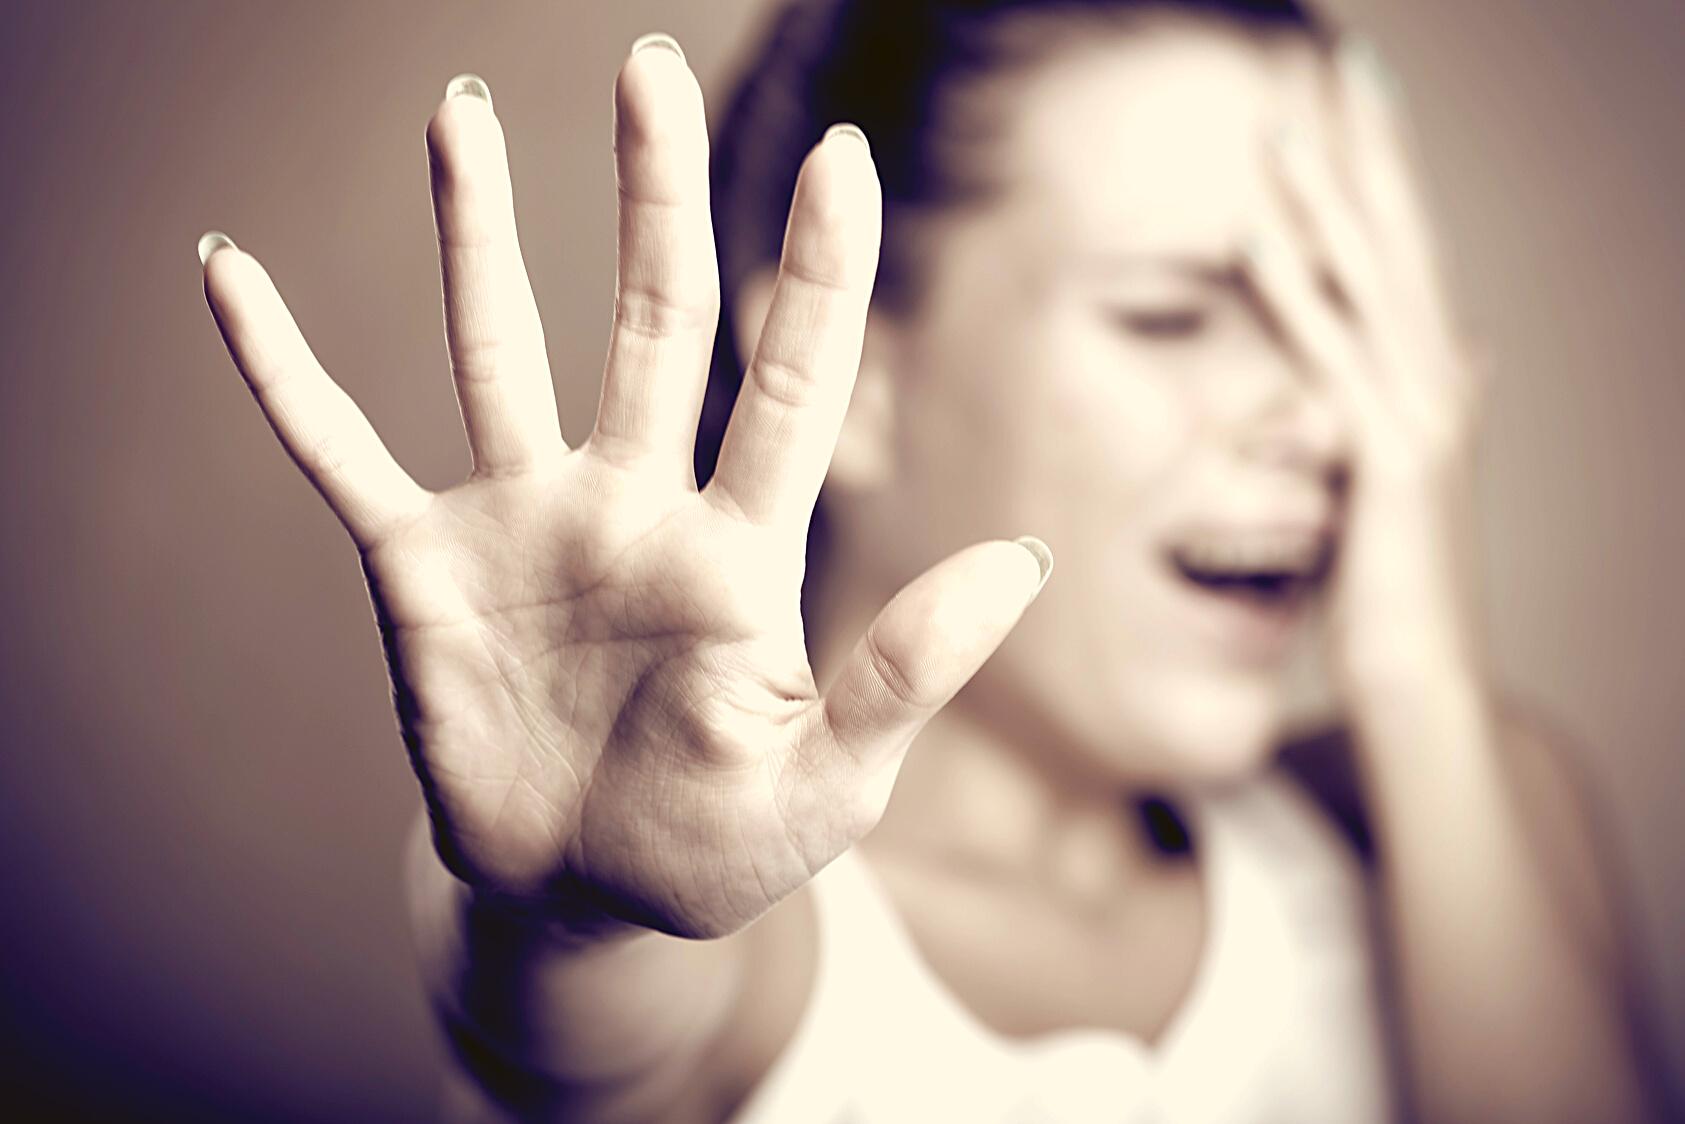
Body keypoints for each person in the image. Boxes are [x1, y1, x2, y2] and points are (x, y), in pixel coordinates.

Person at [197, 1, 1664, 1120]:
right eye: (1171, 316)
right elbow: (598, 1019)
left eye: (1343, 319)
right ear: (855, 377)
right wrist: (566, 915)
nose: (1324, 419)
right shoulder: (745, 951)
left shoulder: (1444, 818)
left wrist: (1419, 676)